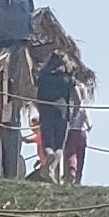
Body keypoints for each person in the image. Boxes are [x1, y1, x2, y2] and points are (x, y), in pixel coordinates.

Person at [33, 51, 75, 180]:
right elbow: (74, 97)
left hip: (46, 111)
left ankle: (49, 161)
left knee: (47, 144)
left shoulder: (42, 77)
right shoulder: (68, 79)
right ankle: (51, 168)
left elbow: (35, 95)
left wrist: (39, 108)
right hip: (62, 112)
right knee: (59, 146)